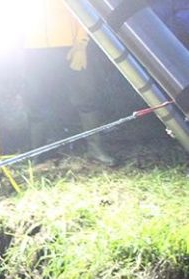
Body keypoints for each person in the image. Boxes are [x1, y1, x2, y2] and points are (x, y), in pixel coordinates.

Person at [23, 0, 115, 165]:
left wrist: (81, 44)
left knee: (86, 97)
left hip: (70, 46)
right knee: (36, 100)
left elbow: (85, 12)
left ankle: (95, 149)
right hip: (33, 50)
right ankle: (37, 152)